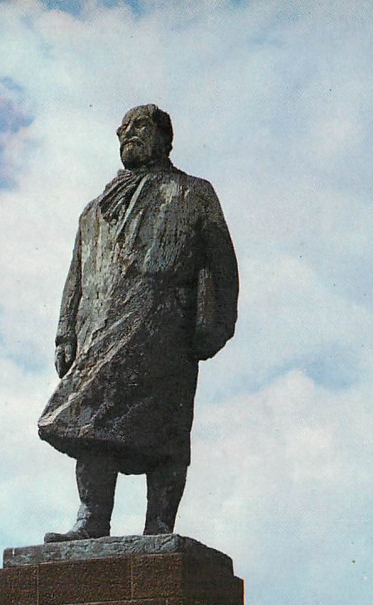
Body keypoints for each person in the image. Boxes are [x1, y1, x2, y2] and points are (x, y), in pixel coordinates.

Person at [39, 104, 239, 540]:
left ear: (165, 138)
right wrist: (65, 333)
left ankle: (159, 524)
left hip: (164, 329)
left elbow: (222, 265)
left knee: (166, 431)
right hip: (101, 331)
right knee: (88, 421)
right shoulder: (94, 211)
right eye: (122, 128)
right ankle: (92, 519)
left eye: (138, 126)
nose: (126, 134)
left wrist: (215, 324)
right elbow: (77, 274)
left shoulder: (192, 193)